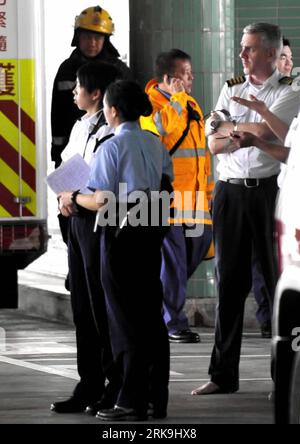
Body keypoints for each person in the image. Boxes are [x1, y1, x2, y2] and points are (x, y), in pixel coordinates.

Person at [191, 22, 300, 396]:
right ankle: (222, 375)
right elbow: (214, 142)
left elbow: (272, 133)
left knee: (275, 286)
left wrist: (239, 126)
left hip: (270, 193)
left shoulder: (288, 90)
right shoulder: (231, 86)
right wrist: (240, 129)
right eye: (241, 47)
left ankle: (283, 377)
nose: (242, 55)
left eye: (250, 48)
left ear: (270, 53)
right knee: (229, 284)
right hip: (230, 192)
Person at [58, 80, 173, 421]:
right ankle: (155, 397)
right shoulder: (154, 143)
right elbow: (166, 184)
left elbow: (102, 198)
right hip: (150, 231)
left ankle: (129, 400)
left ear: (112, 110)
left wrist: (73, 198)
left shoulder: (110, 146)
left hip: (120, 233)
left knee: (123, 320)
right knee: (151, 316)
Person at [51, 61, 122, 415]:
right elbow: (66, 167)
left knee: (101, 307)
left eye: (79, 87)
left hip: (98, 221)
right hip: (77, 221)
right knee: (82, 306)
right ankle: (88, 383)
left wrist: (70, 193)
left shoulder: (112, 131)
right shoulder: (81, 125)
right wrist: (63, 195)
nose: (74, 92)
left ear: (96, 93)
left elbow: (95, 175)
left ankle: (113, 384)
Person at [51, 5, 132, 290]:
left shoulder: (120, 70)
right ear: (78, 36)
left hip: (104, 158)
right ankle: (78, 268)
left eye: (98, 37)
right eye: (87, 36)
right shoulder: (67, 69)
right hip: (73, 153)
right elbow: (57, 114)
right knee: (68, 215)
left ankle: (91, 272)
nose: (93, 42)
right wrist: (57, 155)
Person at [141, 49, 214, 344]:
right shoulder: (149, 106)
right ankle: (172, 322)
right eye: (186, 74)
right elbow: (161, 133)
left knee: (198, 248)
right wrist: (177, 100)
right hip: (167, 202)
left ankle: (160, 305)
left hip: (195, 199)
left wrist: (208, 191)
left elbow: (201, 152)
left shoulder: (191, 102)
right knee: (172, 263)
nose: (191, 78)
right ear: (170, 78)